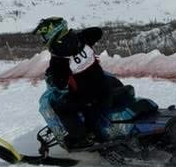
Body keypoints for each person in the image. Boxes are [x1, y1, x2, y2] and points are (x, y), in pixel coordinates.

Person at [32, 17, 116, 148]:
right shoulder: (82, 38)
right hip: (104, 86)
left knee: (62, 108)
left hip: (87, 95)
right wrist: (77, 36)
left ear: (52, 33)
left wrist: (54, 74)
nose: (43, 39)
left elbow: (60, 83)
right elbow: (97, 32)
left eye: (44, 35)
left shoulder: (59, 58)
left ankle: (80, 138)